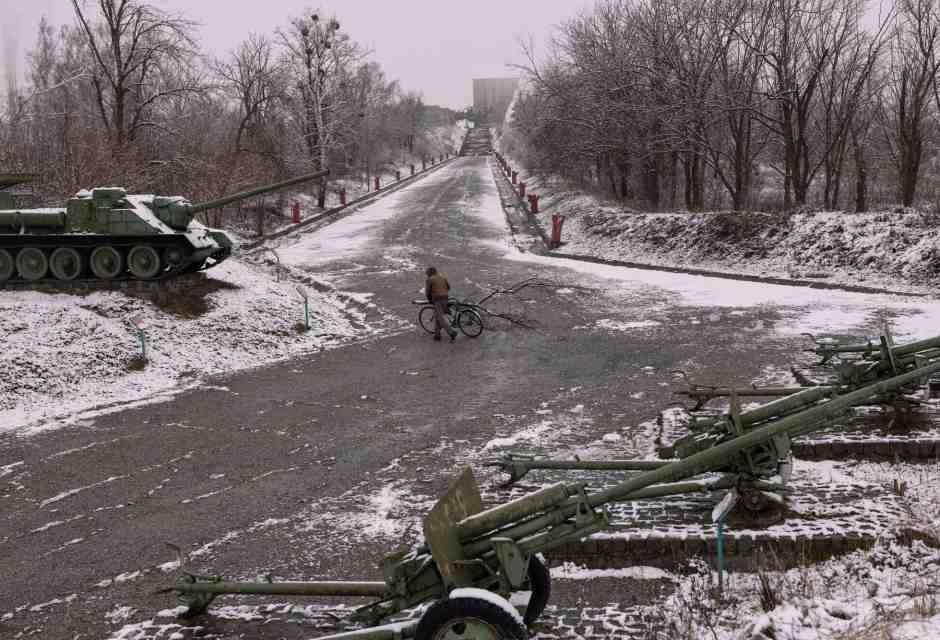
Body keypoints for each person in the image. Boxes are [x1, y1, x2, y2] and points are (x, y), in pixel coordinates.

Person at [425, 266, 457, 341]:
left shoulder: (429, 279)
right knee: (438, 316)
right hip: (446, 298)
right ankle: (437, 335)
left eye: (427, 273)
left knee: (440, 318)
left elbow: (427, 292)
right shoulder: (443, 277)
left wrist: (430, 300)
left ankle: (452, 332)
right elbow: (448, 287)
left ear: (430, 273)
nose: (427, 275)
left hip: (437, 299)